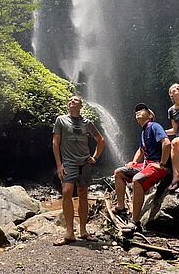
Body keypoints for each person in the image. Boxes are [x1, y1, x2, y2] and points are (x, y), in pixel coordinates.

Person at [52, 95, 105, 246]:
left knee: (83, 194)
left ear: (81, 106)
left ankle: (83, 230)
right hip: (68, 163)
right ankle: (69, 232)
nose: (71, 101)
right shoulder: (61, 120)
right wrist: (59, 164)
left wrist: (95, 157)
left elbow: (100, 140)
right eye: (69, 100)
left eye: (75, 100)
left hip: (85, 163)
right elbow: (55, 143)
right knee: (67, 192)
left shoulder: (87, 123)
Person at [112, 103, 170, 231]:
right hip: (146, 165)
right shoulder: (143, 132)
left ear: (150, 116)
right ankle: (121, 207)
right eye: (136, 111)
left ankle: (135, 222)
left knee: (137, 180)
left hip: (156, 166)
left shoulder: (154, 126)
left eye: (142, 110)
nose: (137, 112)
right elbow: (141, 149)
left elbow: (166, 143)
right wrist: (133, 162)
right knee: (118, 173)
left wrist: (162, 164)